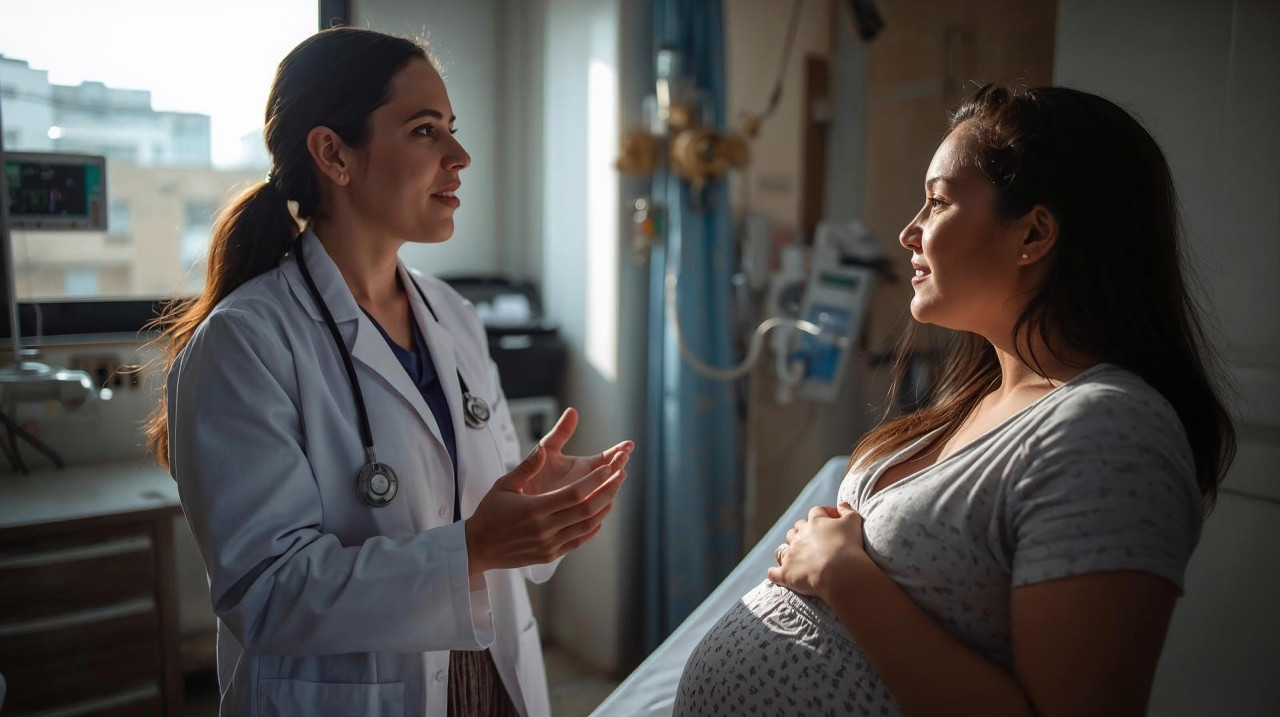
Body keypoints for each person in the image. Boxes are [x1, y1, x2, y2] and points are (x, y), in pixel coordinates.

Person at [675, 84, 1236, 716]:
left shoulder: (1112, 430)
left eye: (938, 203)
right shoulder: (982, 399)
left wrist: (843, 577)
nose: (909, 231)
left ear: (1034, 234)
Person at [147, 27, 633, 717]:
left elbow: (475, 517)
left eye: (451, 129)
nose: (461, 157)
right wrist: (474, 544)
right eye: (425, 130)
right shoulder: (244, 344)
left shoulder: (454, 315)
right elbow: (266, 593)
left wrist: (532, 508)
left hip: (493, 677)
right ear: (334, 155)